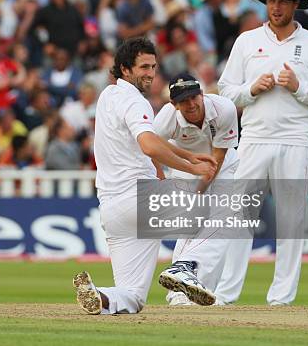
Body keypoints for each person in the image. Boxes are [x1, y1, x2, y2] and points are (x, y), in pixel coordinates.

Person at [217, 0, 308, 306]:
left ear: (296, 5)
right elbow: (226, 91)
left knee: (290, 222)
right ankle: (226, 296)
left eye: (283, 1)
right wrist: (251, 89)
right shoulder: (246, 41)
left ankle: (281, 300)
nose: (276, 7)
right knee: (239, 221)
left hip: (296, 141)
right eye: (271, 0)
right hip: (254, 139)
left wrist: (300, 87)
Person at [73, 37, 218, 315]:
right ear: (125, 69)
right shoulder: (134, 101)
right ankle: (184, 268)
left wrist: (187, 156)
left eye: (153, 66)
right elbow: (149, 145)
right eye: (144, 67)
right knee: (222, 209)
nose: (151, 73)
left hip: (113, 210)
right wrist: (194, 168)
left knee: (132, 296)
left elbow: (149, 141)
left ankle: (100, 296)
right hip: (140, 197)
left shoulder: (107, 96)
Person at [153, 74, 239, 306]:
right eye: (183, 101)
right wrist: (159, 174)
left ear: (202, 94)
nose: (191, 104)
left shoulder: (224, 109)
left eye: (194, 97)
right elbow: (152, 147)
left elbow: (216, 161)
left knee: (223, 222)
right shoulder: (165, 121)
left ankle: (195, 283)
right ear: (174, 104)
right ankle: (179, 293)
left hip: (222, 165)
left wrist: (201, 190)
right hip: (184, 168)